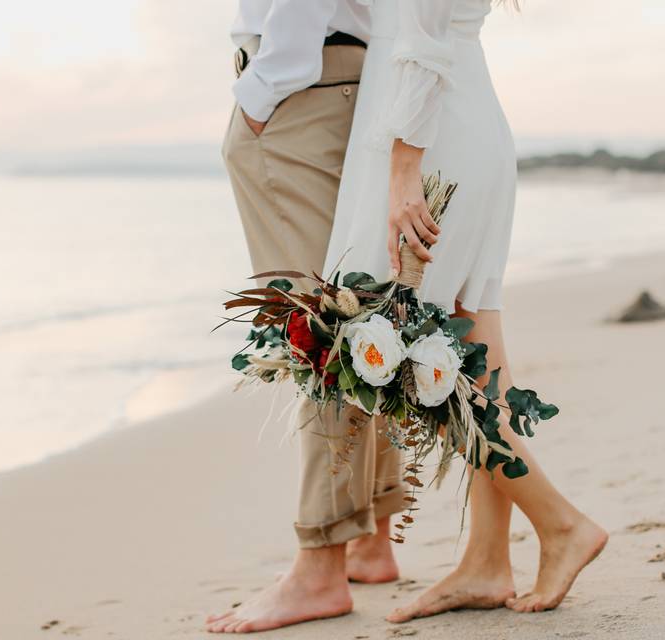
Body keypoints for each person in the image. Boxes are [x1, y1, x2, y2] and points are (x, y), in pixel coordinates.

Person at [324, 0, 609, 621]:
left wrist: (404, 175)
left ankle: (560, 524)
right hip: (448, 122)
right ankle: (486, 562)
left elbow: (422, 42)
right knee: (475, 352)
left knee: (421, 359)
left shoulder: (414, 153)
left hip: (430, 141)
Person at [205, 1, 406, 634]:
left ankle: (321, 563)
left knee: (320, 332)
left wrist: (262, 87)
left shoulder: (281, 81)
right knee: (364, 316)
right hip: (359, 79)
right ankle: (372, 539)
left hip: (300, 86)